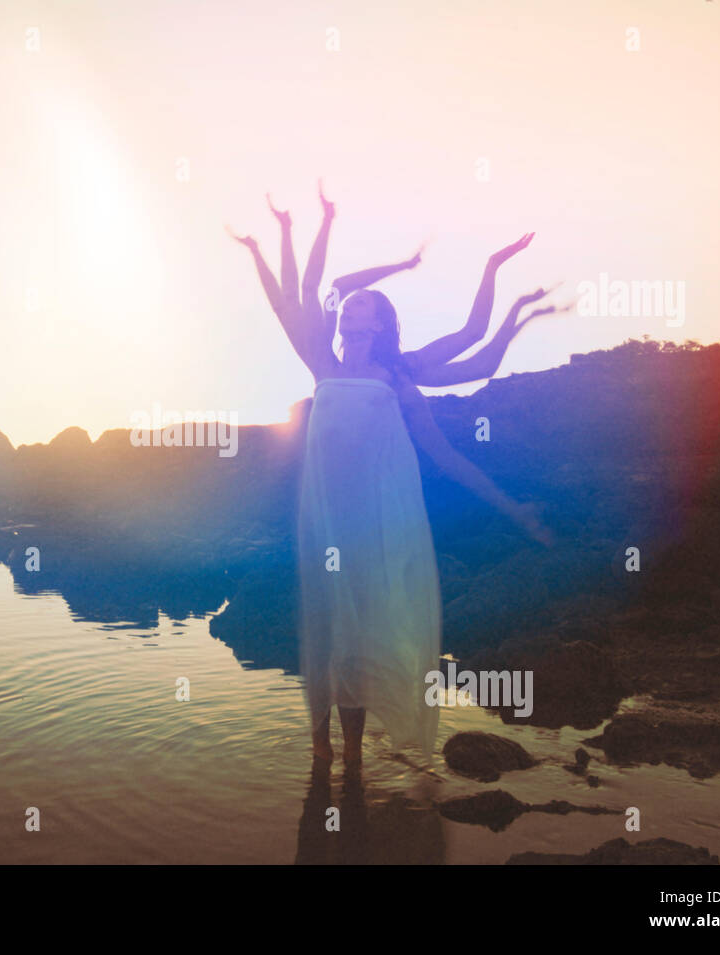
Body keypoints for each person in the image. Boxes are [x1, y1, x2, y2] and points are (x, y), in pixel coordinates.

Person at [228, 184, 559, 772]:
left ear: (382, 324)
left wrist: (493, 267)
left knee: (358, 642)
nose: (353, 306)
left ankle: (351, 754)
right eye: (352, 305)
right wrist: (296, 229)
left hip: (376, 522)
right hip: (324, 515)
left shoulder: (400, 377)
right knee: (327, 635)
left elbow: (473, 346)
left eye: (365, 306)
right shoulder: (320, 360)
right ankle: (322, 745)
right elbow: (301, 291)